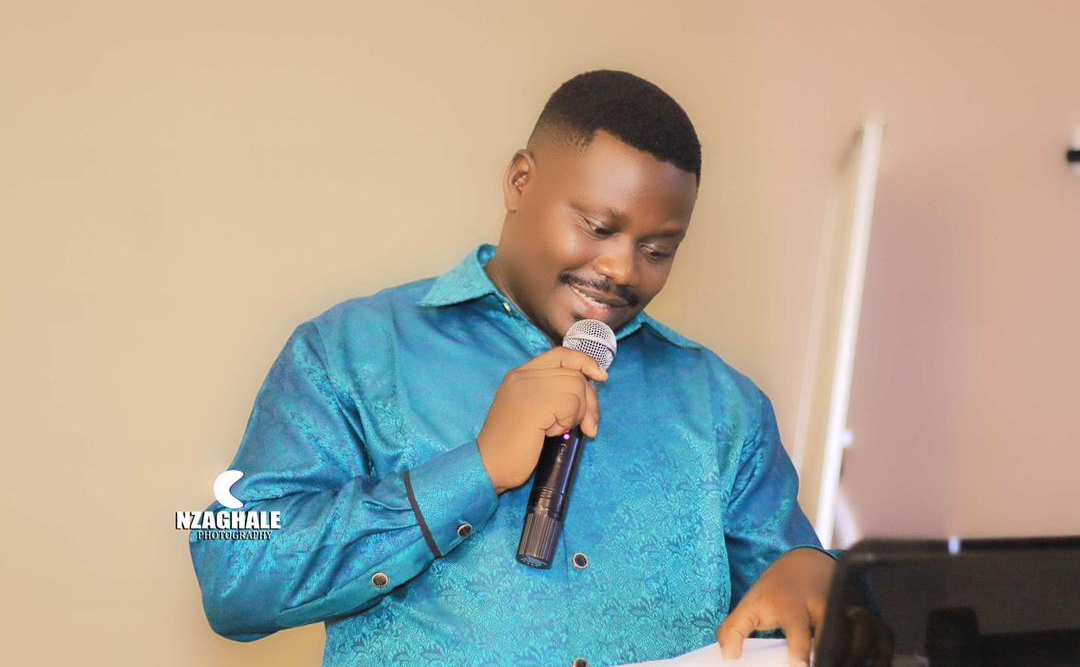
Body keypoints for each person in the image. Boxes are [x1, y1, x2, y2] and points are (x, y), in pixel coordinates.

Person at [189, 69, 837, 667]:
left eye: (658, 249)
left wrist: (815, 575)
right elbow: (232, 568)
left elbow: (787, 594)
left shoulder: (723, 406)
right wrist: (477, 469)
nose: (622, 268)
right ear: (521, 182)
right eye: (598, 226)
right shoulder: (353, 350)